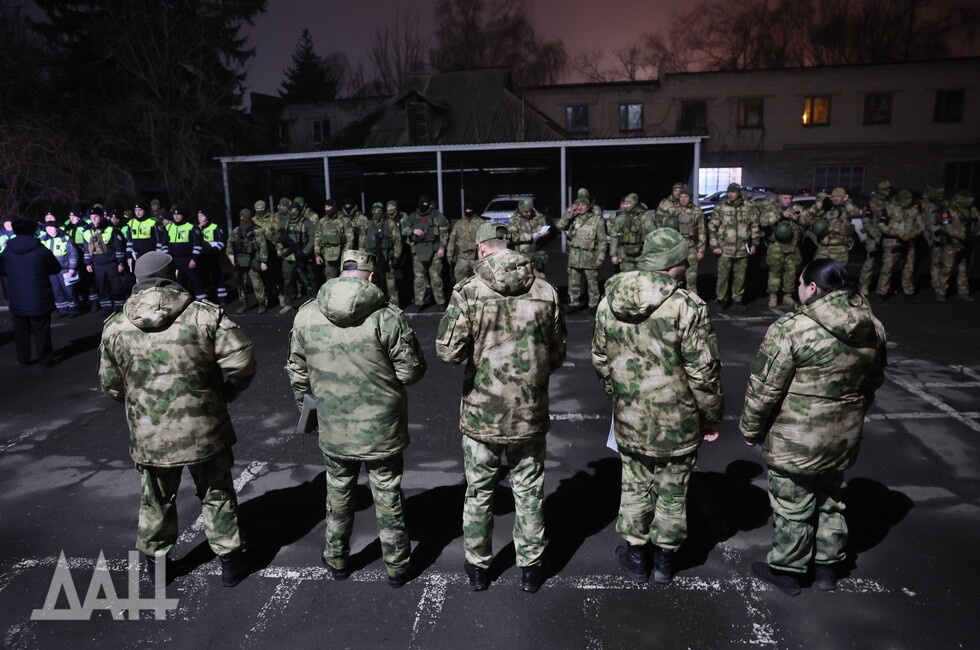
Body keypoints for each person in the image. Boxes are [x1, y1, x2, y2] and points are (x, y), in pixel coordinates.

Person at [99, 251, 257, 588]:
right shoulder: (203, 315)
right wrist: (230, 389)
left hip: (150, 434)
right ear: (175, 274)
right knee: (217, 492)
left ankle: (156, 570)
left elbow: (110, 384)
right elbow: (242, 359)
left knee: (155, 499)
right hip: (205, 428)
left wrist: (138, 403)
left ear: (135, 278)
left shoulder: (115, 326)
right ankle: (230, 563)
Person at [740, 259, 886, 596]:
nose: (799, 289)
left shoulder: (792, 328)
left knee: (793, 504)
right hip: (842, 437)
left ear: (813, 289)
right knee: (831, 499)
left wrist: (750, 428)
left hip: (795, 438)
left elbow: (764, 389)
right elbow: (874, 380)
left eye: (801, 283)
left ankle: (789, 572)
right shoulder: (872, 326)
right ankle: (827, 569)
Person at [436, 222, 566, 593]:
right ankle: (531, 568)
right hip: (529, 411)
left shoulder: (469, 292)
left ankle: (478, 567)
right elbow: (557, 353)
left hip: (482, 412)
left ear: (480, 250)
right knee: (529, 490)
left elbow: (448, 352)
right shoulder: (545, 290)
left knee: (479, 491)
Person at [286, 250, 426, 587]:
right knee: (388, 493)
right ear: (371, 276)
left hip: (332, 423)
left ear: (341, 272)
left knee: (338, 492)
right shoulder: (387, 317)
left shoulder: (307, 314)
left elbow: (297, 371)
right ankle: (397, 565)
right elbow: (411, 372)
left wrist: (309, 414)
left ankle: (336, 558)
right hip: (381, 427)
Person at [592, 228, 724, 584]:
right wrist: (710, 416)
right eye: (684, 260)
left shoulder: (610, 302)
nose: (688, 265)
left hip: (630, 415)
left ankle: (636, 557)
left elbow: (601, 360)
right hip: (677, 419)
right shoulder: (688, 306)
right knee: (673, 488)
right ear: (672, 265)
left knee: (634, 483)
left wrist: (619, 396)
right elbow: (704, 371)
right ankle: (665, 561)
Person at [0, 218, 61, 366]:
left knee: (20, 330)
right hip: (39, 295)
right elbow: (55, 268)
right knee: (42, 329)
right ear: (33, 230)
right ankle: (45, 358)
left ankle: (23, 358)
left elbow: (3, 270)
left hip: (17, 296)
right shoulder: (40, 249)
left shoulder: (7, 251)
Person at [709, 183, 761, 312]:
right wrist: (715, 245)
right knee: (723, 277)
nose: (730, 194)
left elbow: (754, 225)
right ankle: (721, 299)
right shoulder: (721, 208)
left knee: (740, 277)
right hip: (725, 249)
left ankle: (737, 300)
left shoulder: (748, 207)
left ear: (738, 193)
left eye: (733, 192)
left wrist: (754, 243)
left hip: (742, 249)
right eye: (729, 192)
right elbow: (712, 227)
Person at [557, 187, 607, 313]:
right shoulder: (573, 218)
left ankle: (593, 305)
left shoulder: (597, 220)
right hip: (574, 256)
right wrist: (570, 213)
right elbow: (559, 225)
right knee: (574, 283)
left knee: (592, 284)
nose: (580, 207)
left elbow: (602, 241)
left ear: (588, 206)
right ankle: (574, 303)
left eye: (583, 204)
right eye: (578, 204)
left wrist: (600, 258)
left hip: (589, 256)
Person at [402, 194, 450, 310]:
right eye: (422, 203)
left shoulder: (437, 215)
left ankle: (441, 302)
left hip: (434, 250)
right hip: (418, 251)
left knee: (436, 278)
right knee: (419, 279)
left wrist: (442, 248)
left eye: (427, 203)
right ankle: (419, 303)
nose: (425, 205)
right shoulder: (413, 216)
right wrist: (414, 231)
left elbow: (444, 232)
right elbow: (404, 230)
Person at [874, 189, 923, 302]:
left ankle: (909, 292)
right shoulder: (888, 209)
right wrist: (896, 233)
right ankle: (882, 292)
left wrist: (912, 234)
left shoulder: (914, 211)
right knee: (887, 268)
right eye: (907, 199)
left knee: (909, 268)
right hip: (892, 243)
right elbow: (881, 224)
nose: (910, 200)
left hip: (908, 243)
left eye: (911, 198)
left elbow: (921, 226)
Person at [759, 189, 805, 308]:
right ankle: (773, 296)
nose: (788, 201)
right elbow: (763, 222)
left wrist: (799, 219)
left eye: (790, 198)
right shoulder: (772, 208)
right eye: (785, 198)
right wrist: (780, 215)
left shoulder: (797, 208)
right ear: (779, 197)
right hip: (776, 246)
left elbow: (808, 221)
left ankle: (787, 296)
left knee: (791, 271)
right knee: (775, 272)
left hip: (793, 245)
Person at [933, 189, 978, 302]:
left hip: (968, 245)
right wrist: (963, 237)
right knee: (947, 269)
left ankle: (963, 291)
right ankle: (941, 292)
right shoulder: (948, 212)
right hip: (952, 245)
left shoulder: (973, 211)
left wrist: (976, 236)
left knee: (964, 269)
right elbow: (946, 228)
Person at [84, 207, 128, 312]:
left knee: (116, 286)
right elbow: (87, 250)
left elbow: (119, 247)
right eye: (91, 217)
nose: (93, 219)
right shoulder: (87, 232)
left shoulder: (111, 230)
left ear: (102, 217)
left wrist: (120, 263)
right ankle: (106, 307)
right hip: (98, 264)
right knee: (102, 287)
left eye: (96, 217)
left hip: (111, 263)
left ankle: (119, 307)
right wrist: (88, 263)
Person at [801, 187, 858, 267]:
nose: (835, 199)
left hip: (839, 249)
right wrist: (821, 203)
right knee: (819, 272)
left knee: (836, 274)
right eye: (834, 196)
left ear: (844, 197)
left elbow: (854, 213)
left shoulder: (846, 209)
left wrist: (846, 201)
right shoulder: (826, 208)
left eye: (838, 196)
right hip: (823, 248)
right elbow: (806, 218)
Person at [666, 186, 707, 296]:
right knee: (674, 276)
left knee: (691, 276)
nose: (683, 199)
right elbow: (665, 230)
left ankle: (693, 301)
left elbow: (702, 231)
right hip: (676, 249)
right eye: (681, 197)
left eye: (686, 196)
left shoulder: (697, 212)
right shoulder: (672, 211)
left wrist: (701, 250)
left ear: (690, 198)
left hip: (691, 248)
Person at [276, 202, 316, 314]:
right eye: (291, 209)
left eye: (296, 210)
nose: (293, 212)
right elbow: (278, 237)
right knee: (287, 280)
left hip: (302, 256)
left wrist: (304, 252)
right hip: (288, 257)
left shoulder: (306, 223)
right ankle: (288, 304)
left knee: (308, 280)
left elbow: (313, 238)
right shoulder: (285, 223)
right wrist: (279, 248)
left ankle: (313, 303)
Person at [228, 209, 270, 313]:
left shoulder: (257, 230)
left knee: (257, 284)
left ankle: (261, 303)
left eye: (245, 217)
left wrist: (264, 261)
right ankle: (243, 304)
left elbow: (263, 246)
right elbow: (229, 245)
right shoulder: (236, 231)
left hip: (252, 261)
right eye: (241, 217)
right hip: (239, 261)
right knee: (241, 284)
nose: (243, 219)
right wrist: (231, 258)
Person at [362, 202, 404, 305]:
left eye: (379, 211)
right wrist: (363, 258)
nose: (376, 213)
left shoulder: (390, 223)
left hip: (388, 258)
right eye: (374, 211)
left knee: (391, 284)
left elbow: (398, 240)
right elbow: (362, 242)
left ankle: (395, 305)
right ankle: (376, 304)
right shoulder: (367, 224)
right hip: (373, 259)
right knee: (375, 283)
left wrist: (397, 257)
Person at [39, 216, 80, 318]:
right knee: (56, 291)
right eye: (47, 228)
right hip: (51, 271)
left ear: (56, 228)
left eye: (51, 228)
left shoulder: (65, 238)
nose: (49, 230)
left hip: (64, 269)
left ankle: (73, 309)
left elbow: (73, 254)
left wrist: (72, 268)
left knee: (69, 290)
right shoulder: (43, 240)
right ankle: (62, 310)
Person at [608, 193, 657, 273]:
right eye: (624, 204)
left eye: (628, 204)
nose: (625, 206)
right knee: (627, 279)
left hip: (642, 256)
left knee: (643, 279)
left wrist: (654, 254)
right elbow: (614, 236)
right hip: (625, 255)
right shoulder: (621, 218)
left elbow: (654, 235)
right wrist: (613, 254)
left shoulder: (645, 217)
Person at [314, 198, 355, 284]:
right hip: (327, 255)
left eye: (329, 206)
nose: (327, 209)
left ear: (334, 207)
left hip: (342, 255)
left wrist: (345, 253)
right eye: (325, 207)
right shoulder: (322, 222)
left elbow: (350, 238)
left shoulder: (344, 220)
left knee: (345, 280)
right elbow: (318, 238)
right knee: (330, 281)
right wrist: (317, 254)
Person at [507, 198, 551, 277]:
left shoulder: (537, 216)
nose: (529, 213)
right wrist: (531, 236)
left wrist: (544, 233)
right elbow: (513, 236)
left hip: (536, 256)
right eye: (526, 212)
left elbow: (543, 227)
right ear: (520, 210)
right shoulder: (514, 220)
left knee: (540, 279)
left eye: (530, 211)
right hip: (522, 256)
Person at [446, 201, 483, 283]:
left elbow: (486, 241)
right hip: (462, 258)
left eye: (470, 209)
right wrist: (449, 254)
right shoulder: (459, 224)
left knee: (479, 282)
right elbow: (452, 239)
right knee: (460, 283)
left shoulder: (481, 223)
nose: (468, 211)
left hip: (477, 259)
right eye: (466, 209)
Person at [197, 209, 229, 304]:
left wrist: (215, 249)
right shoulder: (197, 228)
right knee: (204, 278)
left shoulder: (215, 227)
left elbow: (222, 241)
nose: (199, 218)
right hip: (202, 257)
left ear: (207, 217)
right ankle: (207, 300)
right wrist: (198, 228)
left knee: (218, 277)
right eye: (198, 216)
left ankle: (222, 299)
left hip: (213, 256)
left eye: (202, 215)